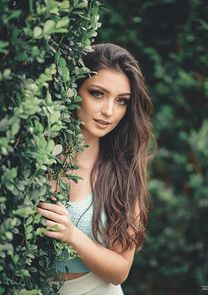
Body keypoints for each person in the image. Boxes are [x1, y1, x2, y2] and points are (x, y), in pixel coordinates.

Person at [37, 43, 155, 294]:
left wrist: (72, 235)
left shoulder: (123, 171)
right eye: (98, 94)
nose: (109, 111)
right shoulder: (33, 158)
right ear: (74, 89)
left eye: (122, 101)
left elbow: (120, 270)